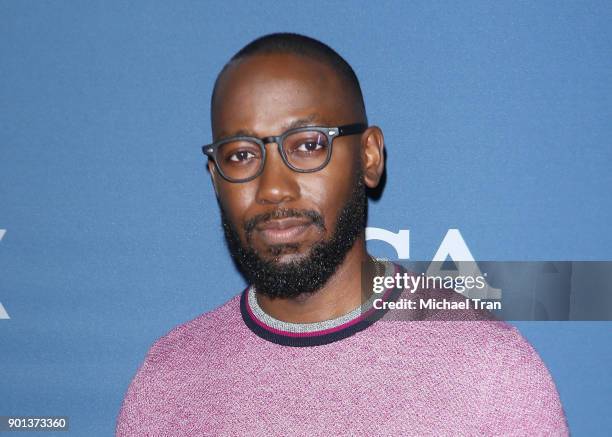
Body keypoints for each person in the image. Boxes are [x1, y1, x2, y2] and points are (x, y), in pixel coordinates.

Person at [116, 33, 568, 436]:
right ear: (216, 179)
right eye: (241, 155)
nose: (274, 187)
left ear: (369, 156)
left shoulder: (490, 374)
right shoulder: (171, 379)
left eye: (309, 144)